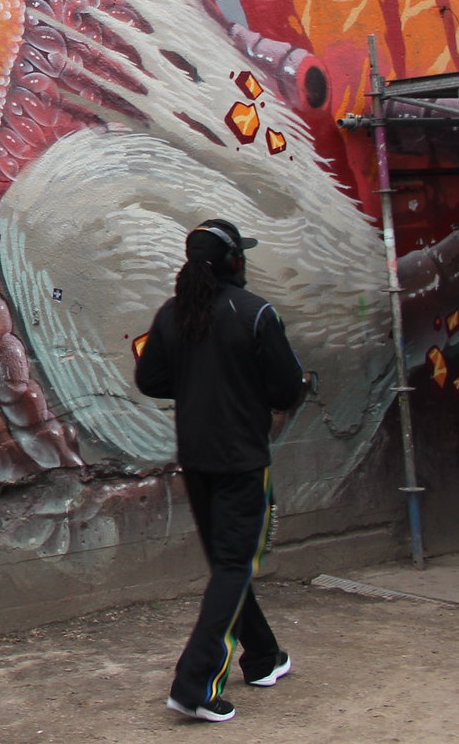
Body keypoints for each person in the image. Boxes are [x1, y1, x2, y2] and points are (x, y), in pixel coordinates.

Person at [135, 218, 307, 723]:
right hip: (242, 462)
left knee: (229, 566)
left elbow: (150, 379)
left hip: (197, 459)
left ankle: (263, 657)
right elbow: (286, 389)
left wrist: (198, 384)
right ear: (234, 261)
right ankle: (194, 685)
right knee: (234, 566)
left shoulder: (173, 314)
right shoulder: (255, 313)